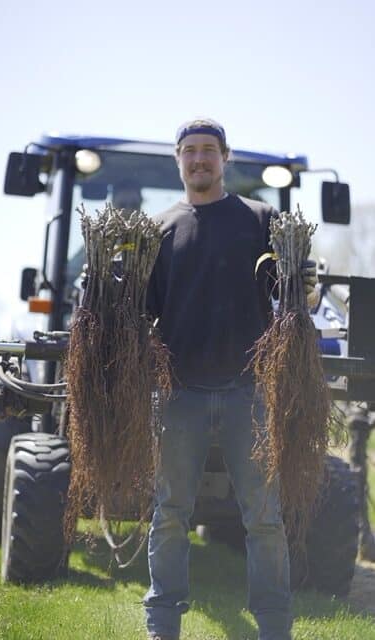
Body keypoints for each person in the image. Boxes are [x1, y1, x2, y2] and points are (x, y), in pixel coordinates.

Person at [143, 118, 318, 640]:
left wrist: (306, 287)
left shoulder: (260, 218)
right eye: (190, 151)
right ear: (178, 160)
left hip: (249, 392)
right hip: (181, 394)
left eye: (209, 151)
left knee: (264, 520)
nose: (199, 160)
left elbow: (293, 297)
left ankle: (273, 629)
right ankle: (163, 626)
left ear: (225, 158)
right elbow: (146, 313)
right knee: (170, 515)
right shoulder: (160, 230)